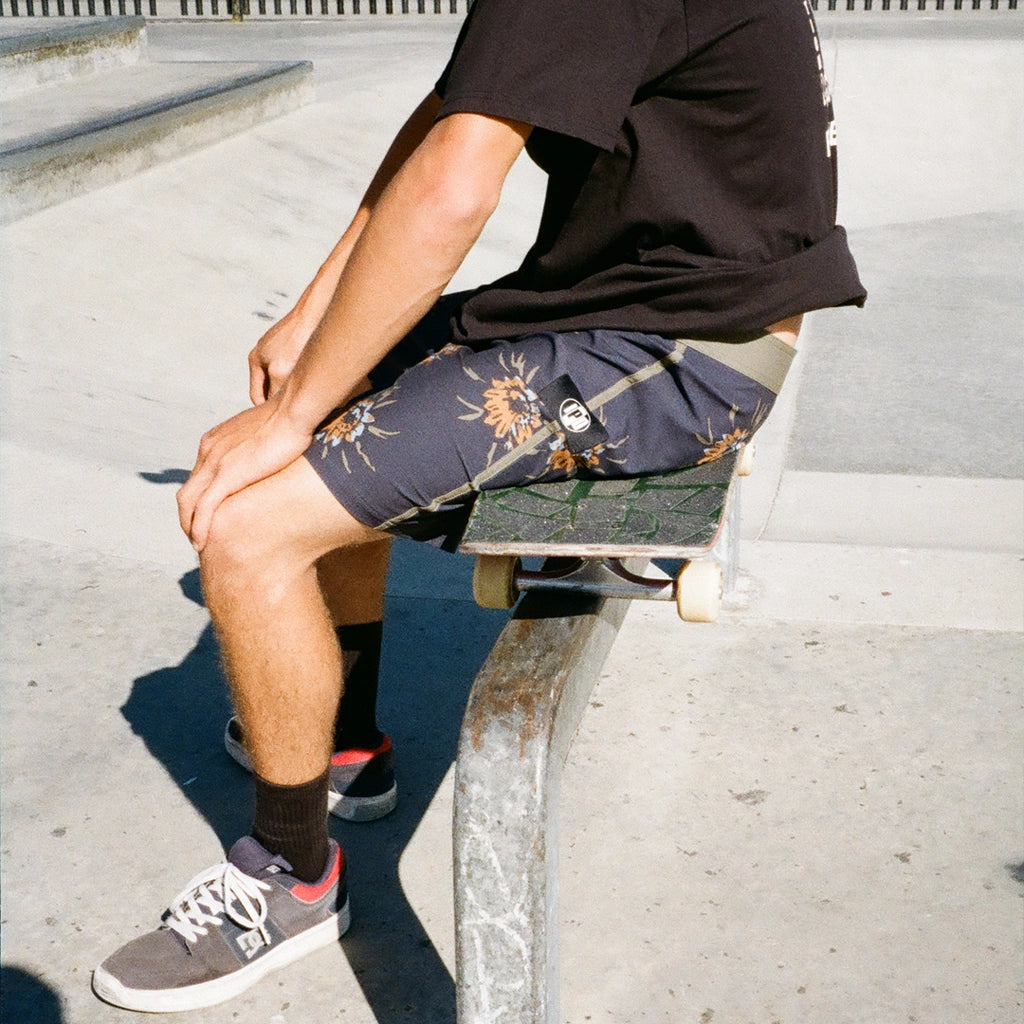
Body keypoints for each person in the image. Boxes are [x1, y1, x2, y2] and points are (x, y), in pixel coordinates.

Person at [93, 0, 865, 1012]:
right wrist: (319, 319)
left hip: (682, 353)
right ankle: (348, 749)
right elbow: (446, 117)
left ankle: (290, 879)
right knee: (332, 415)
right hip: (623, 311)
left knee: (250, 526)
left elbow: (457, 187)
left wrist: (297, 416)